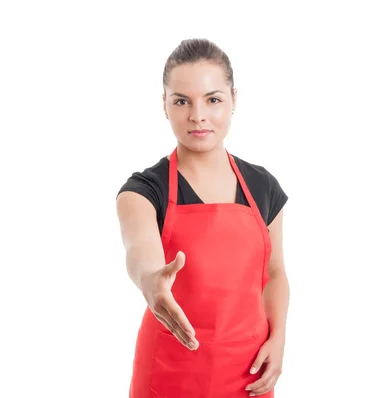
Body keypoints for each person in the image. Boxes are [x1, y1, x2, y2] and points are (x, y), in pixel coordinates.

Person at [116, 38, 290, 398]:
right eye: (182, 101)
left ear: (233, 100)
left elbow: (275, 273)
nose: (198, 115)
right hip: (169, 373)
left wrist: (279, 339)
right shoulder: (145, 189)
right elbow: (141, 251)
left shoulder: (263, 185)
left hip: (249, 372)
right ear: (164, 105)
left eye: (213, 99)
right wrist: (151, 282)